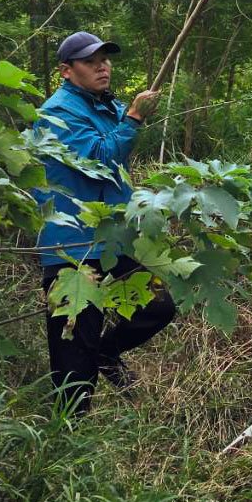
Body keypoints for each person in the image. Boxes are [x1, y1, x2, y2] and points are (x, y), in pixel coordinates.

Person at [33, 30, 176, 415]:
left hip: (110, 243)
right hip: (71, 247)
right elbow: (99, 162)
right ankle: (66, 435)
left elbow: (120, 146)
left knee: (158, 306)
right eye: (91, 61)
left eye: (106, 59)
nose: (103, 66)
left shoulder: (104, 106)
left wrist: (129, 115)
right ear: (66, 70)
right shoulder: (57, 115)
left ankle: (106, 353)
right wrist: (133, 117)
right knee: (72, 355)